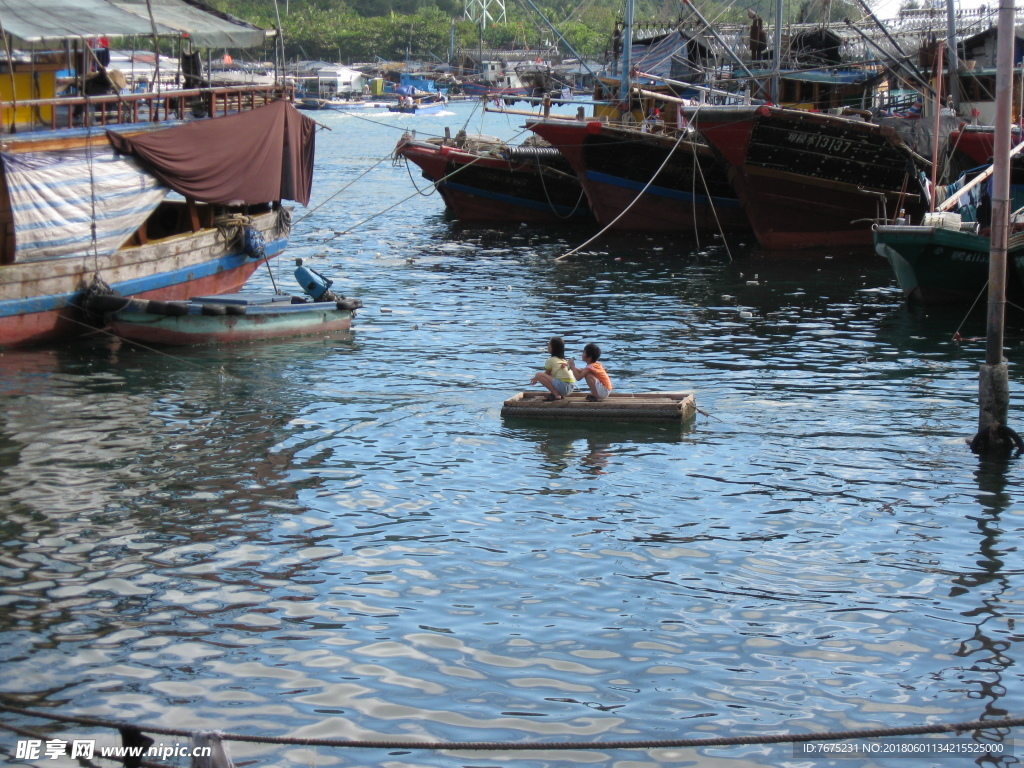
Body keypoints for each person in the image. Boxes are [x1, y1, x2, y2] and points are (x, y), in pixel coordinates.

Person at [530, 336, 575, 401]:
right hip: (571, 388)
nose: (547, 346)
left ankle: (556, 394)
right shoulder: (563, 360)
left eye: (549, 344)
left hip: (563, 386)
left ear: (554, 348)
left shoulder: (550, 360)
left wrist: (536, 378)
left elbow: (546, 374)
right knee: (552, 375)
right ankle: (557, 394)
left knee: (539, 374)